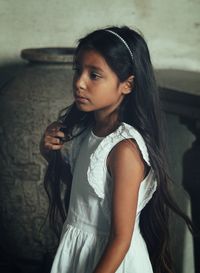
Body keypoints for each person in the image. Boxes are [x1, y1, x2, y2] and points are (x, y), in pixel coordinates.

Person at [40, 26, 194, 273]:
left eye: (95, 75)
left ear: (127, 85)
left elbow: (120, 238)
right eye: (78, 70)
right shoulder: (85, 132)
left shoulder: (124, 150)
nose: (79, 83)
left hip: (112, 263)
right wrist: (51, 155)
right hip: (81, 253)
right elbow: (90, 197)